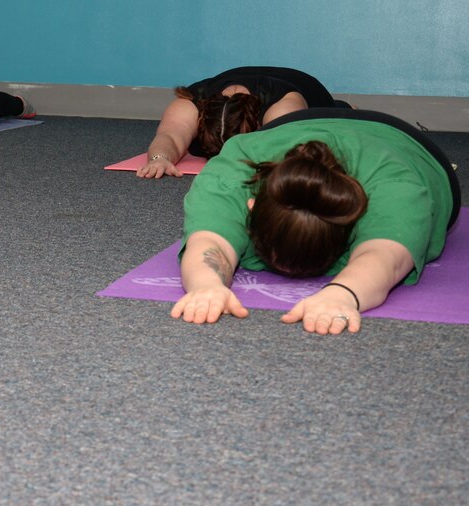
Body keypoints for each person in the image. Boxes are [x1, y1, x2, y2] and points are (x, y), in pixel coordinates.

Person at [171, 108, 459, 335]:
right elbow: (208, 241)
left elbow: (385, 257)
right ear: (251, 206)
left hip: (402, 142)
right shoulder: (233, 173)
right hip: (289, 126)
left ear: (353, 226)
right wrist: (206, 285)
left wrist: (343, 295)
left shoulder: (395, 190)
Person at [138, 66, 350, 179]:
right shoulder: (192, 101)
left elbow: (286, 152)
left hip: (301, 84)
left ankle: (343, 106)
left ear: (257, 125)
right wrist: (159, 158)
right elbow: (169, 135)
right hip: (240, 76)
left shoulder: (282, 107)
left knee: (332, 126)